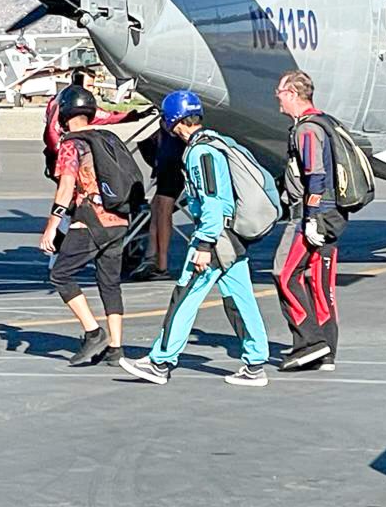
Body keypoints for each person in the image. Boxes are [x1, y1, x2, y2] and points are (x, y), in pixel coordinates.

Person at [121, 90, 270, 387]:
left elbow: (213, 200)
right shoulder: (216, 142)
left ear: (173, 120)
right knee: (241, 299)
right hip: (232, 236)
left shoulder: (201, 153)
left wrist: (204, 244)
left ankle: (160, 361)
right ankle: (255, 362)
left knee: (185, 296)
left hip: (215, 237)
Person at [38, 85, 128, 367]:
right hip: (120, 219)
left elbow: (66, 185)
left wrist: (53, 224)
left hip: (91, 220)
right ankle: (116, 347)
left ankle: (93, 332)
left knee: (61, 275)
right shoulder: (106, 138)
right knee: (110, 283)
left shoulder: (71, 144)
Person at [274, 70, 345, 371]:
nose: (276, 96)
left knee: (284, 274)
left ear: (291, 93)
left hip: (311, 216)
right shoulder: (326, 123)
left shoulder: (306, 130)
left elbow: (315, 175)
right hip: (332, 215)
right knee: (319, 282)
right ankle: (327, 350)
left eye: (279, 91)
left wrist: (311, 217)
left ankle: (308, 341)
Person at [128, 126, 184, 281]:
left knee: (163, 212)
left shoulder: (173, 129)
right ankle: (152, 255)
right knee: (156, 209)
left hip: (172, 168)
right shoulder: (165, 129)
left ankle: (162, 264)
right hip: (165, 166)